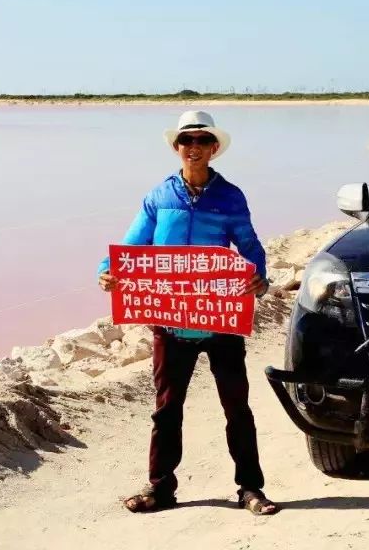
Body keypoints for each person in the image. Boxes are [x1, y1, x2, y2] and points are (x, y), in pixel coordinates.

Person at [97, 110, 280, 516]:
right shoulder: (159, 197)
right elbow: (133, 245)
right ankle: (161, 488)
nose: (193, 147)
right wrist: (107, 273)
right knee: (166, 408)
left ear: (214, 148)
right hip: (171, 323)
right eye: (186, 140)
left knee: (237, 408)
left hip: (220, 322)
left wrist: (259, 280)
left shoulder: (231, 197)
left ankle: (250, 488)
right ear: (176, 148)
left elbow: (249, 247)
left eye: (201, 140)